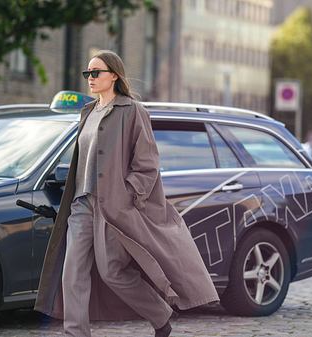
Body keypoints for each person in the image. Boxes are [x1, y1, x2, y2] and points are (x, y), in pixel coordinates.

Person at [34, 50, 219, 337]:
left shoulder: (132, 111)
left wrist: (129, 194)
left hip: (113, 206)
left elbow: (147, 164)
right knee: (72, 272)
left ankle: (160, 316)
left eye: (96, 72)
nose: (91, 78)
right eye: (88, 73)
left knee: (112, 272)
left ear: (115, 75)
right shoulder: (88, 112)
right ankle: (76, 334)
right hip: (82, 203)